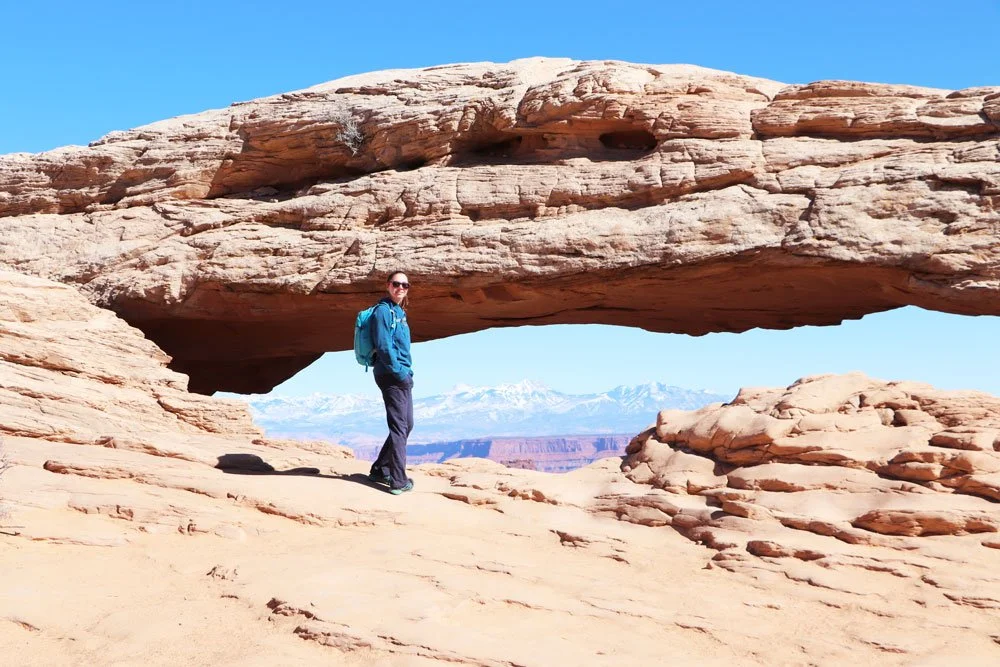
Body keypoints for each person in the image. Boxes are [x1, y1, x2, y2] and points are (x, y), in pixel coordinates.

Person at [367, 271, 415, 494]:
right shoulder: (383, 312)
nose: (401, 288)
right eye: (396, 284)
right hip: (391, 375)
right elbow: (384, 346)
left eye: (405, 285)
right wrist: (399, 372)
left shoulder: (399, 312)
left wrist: (407, 372)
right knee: (399, 427)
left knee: (407, 425)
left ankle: (380, 468)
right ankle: (397, 480)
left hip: (401, 375)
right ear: (388, 286)